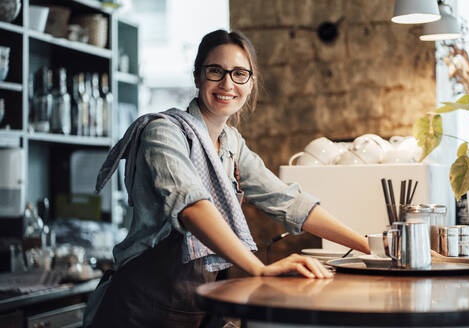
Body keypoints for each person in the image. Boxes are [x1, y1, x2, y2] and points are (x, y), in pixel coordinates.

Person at [84, 29, 370, 328]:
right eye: (215, 71)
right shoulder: (164, 132)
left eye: (239, 74)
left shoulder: (231, 144)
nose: (227, 84)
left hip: (196, 307)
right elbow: (192, 207)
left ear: (251, 83)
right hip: (140, 308)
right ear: (198, 77)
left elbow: (287, 201)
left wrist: (371, 247)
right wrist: (259, 270)